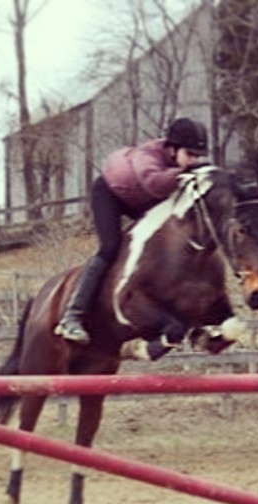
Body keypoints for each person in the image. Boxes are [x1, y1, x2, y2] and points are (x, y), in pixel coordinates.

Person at [54, 117, 209, 345]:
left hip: (141, 199)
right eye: (190, 154)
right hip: (110, 195)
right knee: (110, 248)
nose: (193, 161)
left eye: (197, 156)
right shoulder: (148, 156)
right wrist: (185, 174)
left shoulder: (179, 162)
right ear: (173, 149)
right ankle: (72, 316)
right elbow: (155, 183)